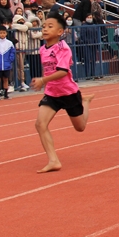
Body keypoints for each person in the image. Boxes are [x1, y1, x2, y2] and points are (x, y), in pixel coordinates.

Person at [32, 12, 95, 173]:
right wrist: (43, 83)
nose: (45, 29)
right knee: (40, 124)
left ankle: (85, 102)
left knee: (80, 127)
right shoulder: (42, 49)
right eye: (44, 26)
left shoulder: (63, 48)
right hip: (52, 94)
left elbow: (61, 71)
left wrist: (43, 80)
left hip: (68, 92)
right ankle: (53, 160)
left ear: (60, 32)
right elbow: (47, 70)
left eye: (50, 26)